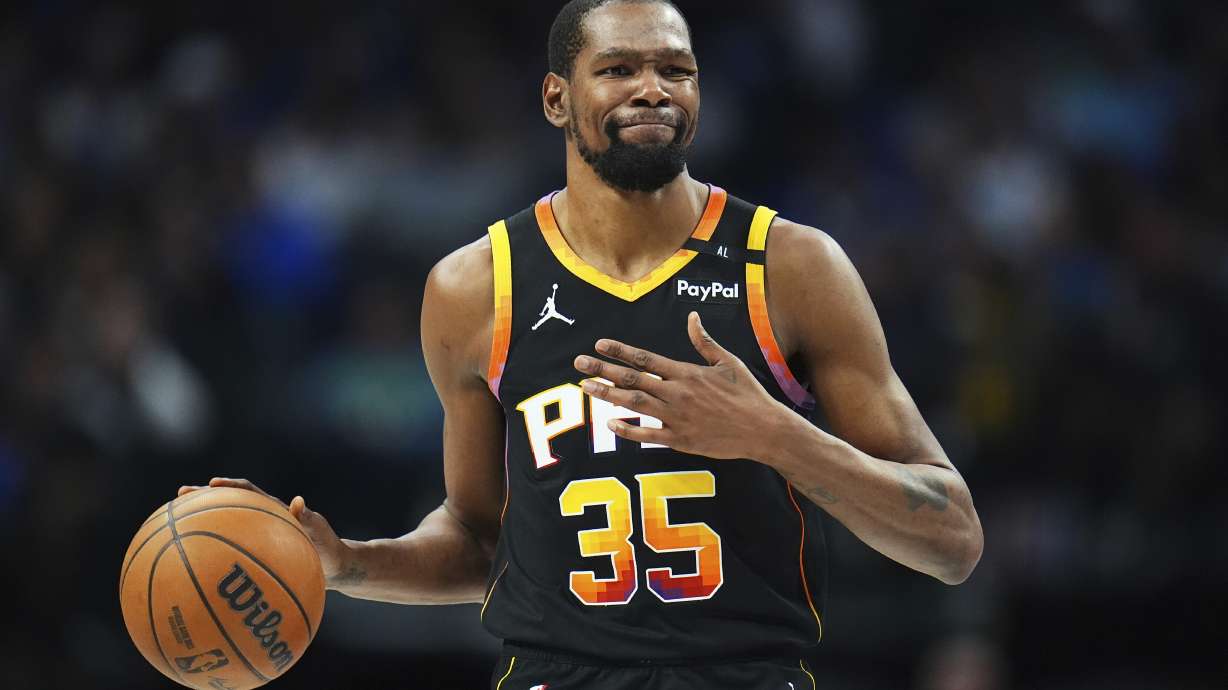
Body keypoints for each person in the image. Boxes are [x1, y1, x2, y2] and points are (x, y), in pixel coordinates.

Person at [183, 1, 984, 687]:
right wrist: (347, 563)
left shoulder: (790, 267)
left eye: (678, 70)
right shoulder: (472, 289)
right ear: (556, 99)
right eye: (620, 68)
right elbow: (479, 541)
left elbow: (952, 540)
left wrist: (776, 435)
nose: (653, 89)